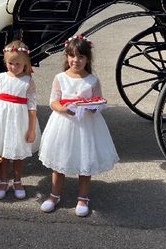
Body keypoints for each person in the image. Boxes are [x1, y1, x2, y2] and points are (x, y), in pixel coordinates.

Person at [38, 35, 119, 217]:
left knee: (85, 159)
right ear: (67, 57)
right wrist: (63, 109)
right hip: (63, 123)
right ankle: (54, 195)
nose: (76, 60)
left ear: (87, 59)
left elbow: (99, 101)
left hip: (86, 126)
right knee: (60, 161)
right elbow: (53, 101)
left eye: (81, 57)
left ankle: (83, 198)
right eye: (72, 56)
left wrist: (92, 108)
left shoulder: (92, 80)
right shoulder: (60, 78)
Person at [0, 40, 41, 200]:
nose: (14, 67)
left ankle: (18, 181)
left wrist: (32, 128)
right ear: (5, 62)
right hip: (1, 120)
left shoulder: (28, 81)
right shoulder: (0, 77)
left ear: (25, 63)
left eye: (18, 64)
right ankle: (3, 181)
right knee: (3, 153)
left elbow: (32, 106)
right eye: (10, 63)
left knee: (18, 153)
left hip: (19, 121)